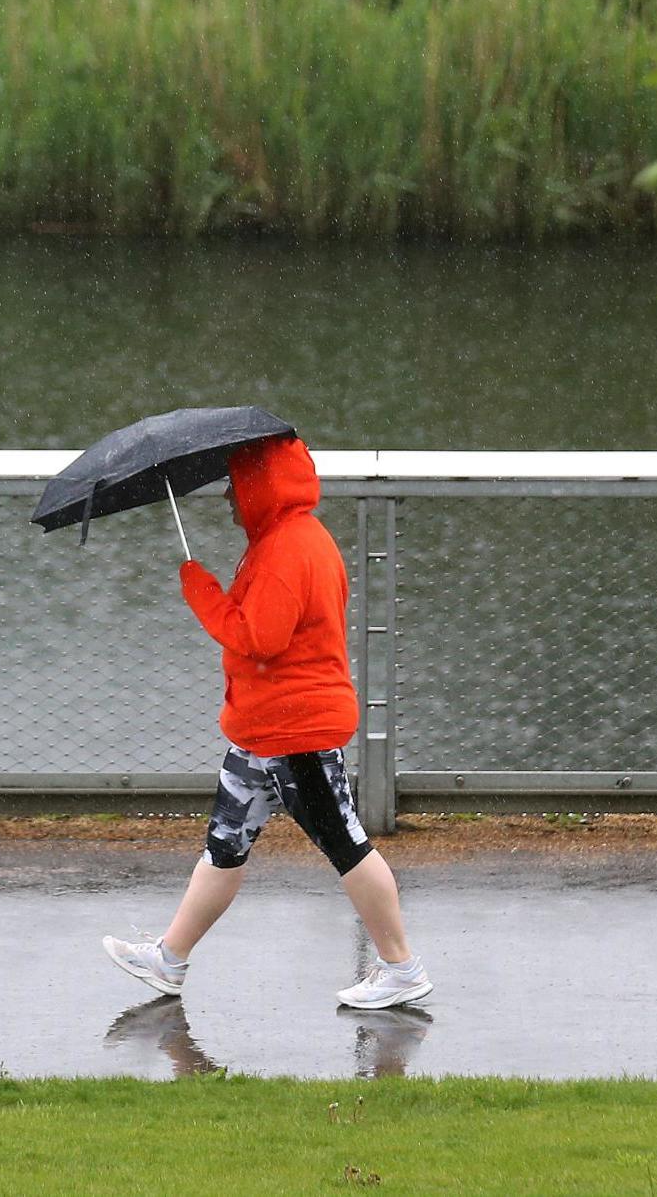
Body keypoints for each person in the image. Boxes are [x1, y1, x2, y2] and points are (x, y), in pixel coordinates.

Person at [102, 432, 431, 1009]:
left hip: (294, 728)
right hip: (263, 727)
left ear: (260, 485)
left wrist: (201, 591)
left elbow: (259, 637)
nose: (228, 496)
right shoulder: (284, 540)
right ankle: (170, 959)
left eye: (235, 484)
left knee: (345, 843)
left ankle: (401, 966)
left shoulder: (287, 549)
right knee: (226, 844)